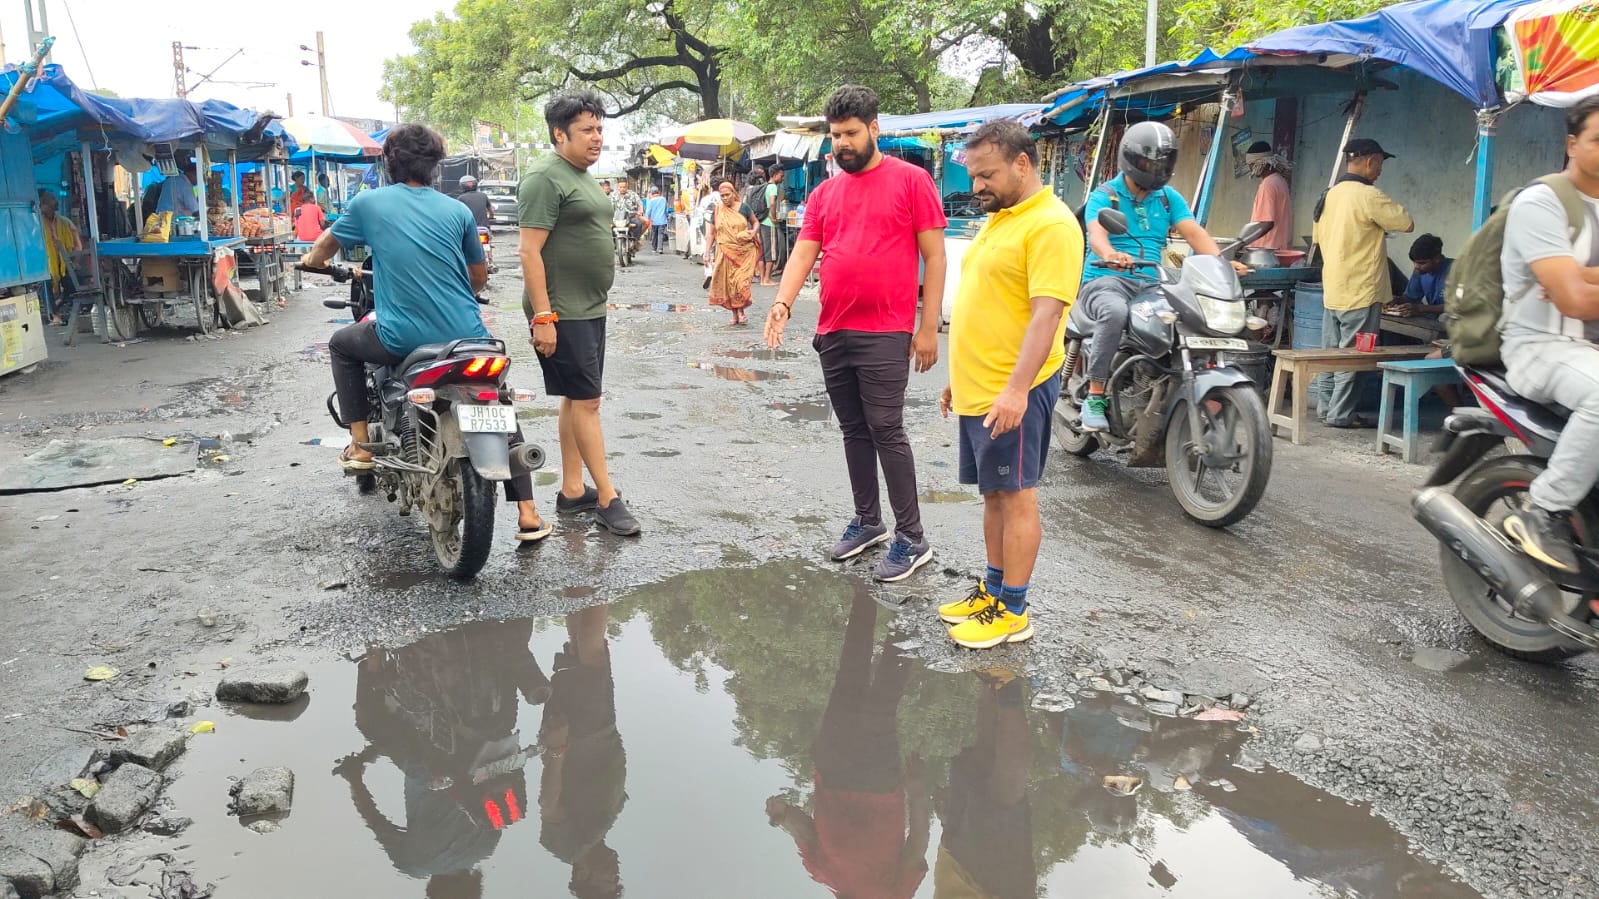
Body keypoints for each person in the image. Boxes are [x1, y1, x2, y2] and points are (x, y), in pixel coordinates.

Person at [302, 123, 550, 543]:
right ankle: (528, 512)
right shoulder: (457, 211)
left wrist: (314, 261)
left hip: (402, 337)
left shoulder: (369, 202)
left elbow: (325, 246)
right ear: (436, 165)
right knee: (495, 399)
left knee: (342, 345)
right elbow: (478, 277)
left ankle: (360, 445)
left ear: (390, 163)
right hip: (469, 336)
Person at [765, 85, 948, 583]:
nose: (842, 143)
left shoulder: (911, 180)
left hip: (887, 329)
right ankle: (869, 520)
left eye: (850, 133)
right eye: (835, 136)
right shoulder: (825, 193)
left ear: (873, 129)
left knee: (886, 428)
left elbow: (935, 256)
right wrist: (782, 302)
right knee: (853, 429)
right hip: (834, 327)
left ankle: (912, 537)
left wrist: (927, 327)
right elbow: (805, 251)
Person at [938, 120, 1081, 649]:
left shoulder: (1050, 225)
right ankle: (993, 592)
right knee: (994, 494)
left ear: (1022, 164)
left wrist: (1017, 390)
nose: (977, 186)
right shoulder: (1003, 217)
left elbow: (1047, 314)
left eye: (987, 175)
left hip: (1015, 388)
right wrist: (958, 378)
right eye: (974, 176)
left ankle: (1014, 611)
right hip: (982, 387)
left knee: (1017, 496)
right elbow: (990, 301)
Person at [335, 620, 551, 899]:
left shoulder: (488, 846)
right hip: (426, 770)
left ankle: (504, 640)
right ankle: (374, 661)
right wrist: (354, 777)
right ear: (433, 892)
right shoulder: (414, 865)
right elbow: (374, 819)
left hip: (491, 751)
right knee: (369, 724)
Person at [519, 90, 640, 537]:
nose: (597, 137)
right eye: (587, 130)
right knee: (588, 401)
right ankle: (607, 498)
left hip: (588, 306)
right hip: (562, 310)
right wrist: (543, 316)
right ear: (559, 133)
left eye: (599, 128)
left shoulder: (582, 175)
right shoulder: (543, 178)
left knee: (576, 397)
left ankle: (573, 489)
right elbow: (529, 252)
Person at [1077, 122, 1247, 432]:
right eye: (1148, 163)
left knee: (1187, 317)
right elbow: (1097, 234)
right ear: (1130, 160)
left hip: (1151, 282)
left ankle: (1180, 387)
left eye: (1162, 163)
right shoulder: (1106, 196)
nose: (1155, 169)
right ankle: (1096, 395)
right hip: (1105, 280)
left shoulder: (1168, 197)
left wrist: (1221, 262)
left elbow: (1193, 232)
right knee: (1114, 312)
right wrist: (1111, 254)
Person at [766, 589, 929, 899]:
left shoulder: (822, 873)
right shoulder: (894, 895)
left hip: (833, 769)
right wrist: (919, 792)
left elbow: (805, 833)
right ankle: (913, 609)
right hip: (878, 784)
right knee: (883, 699)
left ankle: (864, 592)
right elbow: (917, 845)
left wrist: (783, 816)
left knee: (849, 679)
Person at [1497, 96, 1599, 573]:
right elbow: (1573, 301)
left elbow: (1578, 287)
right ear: (1572, 144)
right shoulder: (1542, 203)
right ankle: (1544, 512)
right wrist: (1574, 284)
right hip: (1541, 348)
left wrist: (1580, 278)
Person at [1312, 137, 1414, 428]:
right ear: (1371, 161)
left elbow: (1317, 238)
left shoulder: (1328, 195)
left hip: (1333, 289)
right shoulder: (1368, 195)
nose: (1380, 171)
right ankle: (1340, 415)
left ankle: (1325, 408)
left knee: (1330, 355)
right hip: (1362, 292)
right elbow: (1406, 223)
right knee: (1356, 356)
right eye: (1380, 164)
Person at [539, 605, 626, 899]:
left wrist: (557, 749)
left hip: (582, 735)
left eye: (606, 882)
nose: (614, 875)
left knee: (591, 653)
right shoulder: (597, 832)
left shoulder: (569, 847)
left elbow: (549, 804)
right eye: (616, 881)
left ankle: (598, 580)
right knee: (580, 648)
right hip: (595, 731)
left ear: (582, 876)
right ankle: (579, 576)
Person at [933, 668, 1036, 899]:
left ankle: (993, 677)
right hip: (981, 886)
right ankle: (1006, 680)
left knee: (982, 755)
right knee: (1006, 794)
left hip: (953, 860)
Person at [707, 181, 760, 325]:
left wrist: (753, 232)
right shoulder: (717, 211)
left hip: (743, 251)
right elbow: (712, 233)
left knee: (740, 281)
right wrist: (707, 252)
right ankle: (735, 314)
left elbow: (755, 222)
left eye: (727, 195)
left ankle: (741, 311)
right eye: (722, 196)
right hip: (725, 252)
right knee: (729, 283)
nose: (725, 198)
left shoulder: (743, 208)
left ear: (733, 193)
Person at [37, 190, 82, 325]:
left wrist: (74, 262)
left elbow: (78, 246)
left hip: (64, 263)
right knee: (45, 284)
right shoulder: (36, 224)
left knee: (73, 284)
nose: (55, 202)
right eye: (51, 199)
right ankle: (54, 315)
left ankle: (65, 304)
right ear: (42, 204)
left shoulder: (65, 222)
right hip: (46, 265)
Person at [1389, 233, 1452, 318]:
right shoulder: (1420, 271)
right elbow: (1411, 297)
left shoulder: (1457, 270)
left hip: (1456, 320)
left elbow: (1458, 307)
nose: (1416, 266)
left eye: (1422, 263)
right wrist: (1397, 299)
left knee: (1444, 317)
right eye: (1414, 262)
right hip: (1432, 317)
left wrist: (1420, 308)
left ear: (1437, 258)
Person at [1245, 140, 1293, 250]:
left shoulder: (1267, 185)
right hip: (1280, 248)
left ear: (1259, 163)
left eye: (1250, 164)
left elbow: (1267, 223)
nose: (1250, 168)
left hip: (1266, 250)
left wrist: (1243, 241)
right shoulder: (1280, 180)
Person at [759, 168, 786, 286]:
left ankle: (762, 279)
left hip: (761, 221)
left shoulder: (765, 186)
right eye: (781, 175)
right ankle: (767, 279)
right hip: (769, 223)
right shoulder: (773, 187)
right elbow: (772, 203)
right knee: (771, 251)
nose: (782, 178)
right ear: (774, 175)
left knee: (762, 251)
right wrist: (774, 218)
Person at [613, 180, 645, 252]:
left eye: (624, 187)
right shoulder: (614, 195)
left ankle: (636, 241)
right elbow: (609, 205)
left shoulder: (632, 194)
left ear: (627, 187)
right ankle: (612, 243)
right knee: (608, 226)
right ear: (618, 187)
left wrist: (640, 210)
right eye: (621, 187)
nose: (622, 189)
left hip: (630, 217)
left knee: (639, 224)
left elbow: (640, 203)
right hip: (617, 218)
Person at [644, 186, 669, 254]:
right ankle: (660, 249)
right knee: (660, 234)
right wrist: (667, 216)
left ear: (652, 193)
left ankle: (654, 249)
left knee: (654, 235)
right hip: (662, 220)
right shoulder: (663, 199)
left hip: (654, 221)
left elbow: (648, 212)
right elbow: (666, 210)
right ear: (658, 192)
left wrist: (646, 219)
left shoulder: (651, 201)